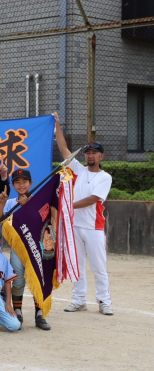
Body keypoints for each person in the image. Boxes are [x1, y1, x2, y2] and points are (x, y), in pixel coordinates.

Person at [54, 113, 114, 315]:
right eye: (87, 152)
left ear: (101, 157)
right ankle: (79, 300)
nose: (90, 155)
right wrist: (58, 126)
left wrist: (68, 206)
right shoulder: (78, 170)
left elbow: (93, 199)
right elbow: (64, 149)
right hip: (75, 226)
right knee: (76, 266)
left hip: (94, 228)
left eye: (94, 153)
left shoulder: (105, 177)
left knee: (99, 267)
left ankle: (104, 301)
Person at [0, 168, 51, 330]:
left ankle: (40, 314)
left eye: (24, 182)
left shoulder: (39, 201)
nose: (21, 185)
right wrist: (3, 203)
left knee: (38, 280)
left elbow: (42, 222)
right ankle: (18, 311)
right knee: (18, 281)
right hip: (18, 249)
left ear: (31, 183)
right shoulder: (12, 203)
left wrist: (28, 207)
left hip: (36, 248)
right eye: (17, 182)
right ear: (12, 185)